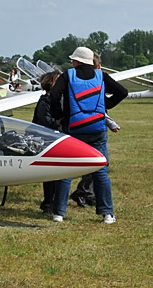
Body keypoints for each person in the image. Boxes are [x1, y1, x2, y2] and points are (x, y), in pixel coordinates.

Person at [47, 45, 128, 224]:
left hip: (74, 128)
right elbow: (122, 92)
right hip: (97, 129)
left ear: (76, 61)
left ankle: (58, 213)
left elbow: (54, 96)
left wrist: (59, 116)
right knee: (100, 172)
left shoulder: (68, 75)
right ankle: (107, 214)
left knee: (67, 170)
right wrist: (104, 106)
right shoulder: (101, 75)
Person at [32, 70, 63, 213]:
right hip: (47, 139)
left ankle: (55, 200)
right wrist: (61, 121)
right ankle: (48, 202)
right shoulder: (44, 101)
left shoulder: (57, 100)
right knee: (52, 173)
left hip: (57, 138)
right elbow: (45, 122)